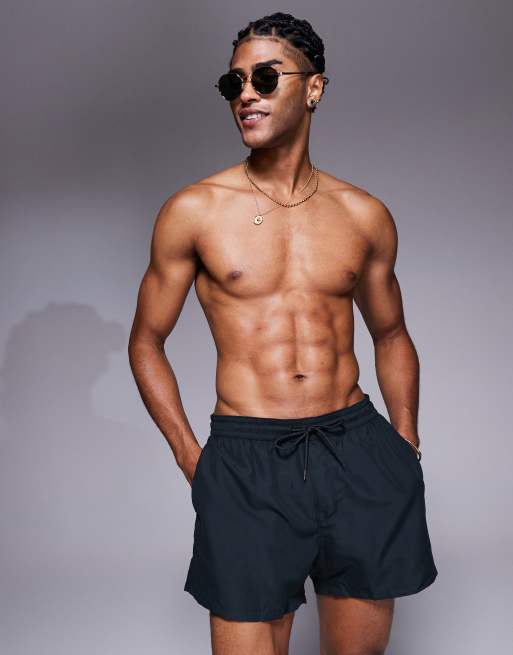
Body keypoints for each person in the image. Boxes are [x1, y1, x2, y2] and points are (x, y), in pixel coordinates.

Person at [128, 11, 438, 655]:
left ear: (314, 88)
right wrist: (192, 459)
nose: (246, 93)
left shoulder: (363, 214)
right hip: (248, 458)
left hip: (355, 450)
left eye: (265, 78)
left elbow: (391, 334)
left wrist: (404, 442)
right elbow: (146, 341)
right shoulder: (194, 211)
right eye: (234, 82)